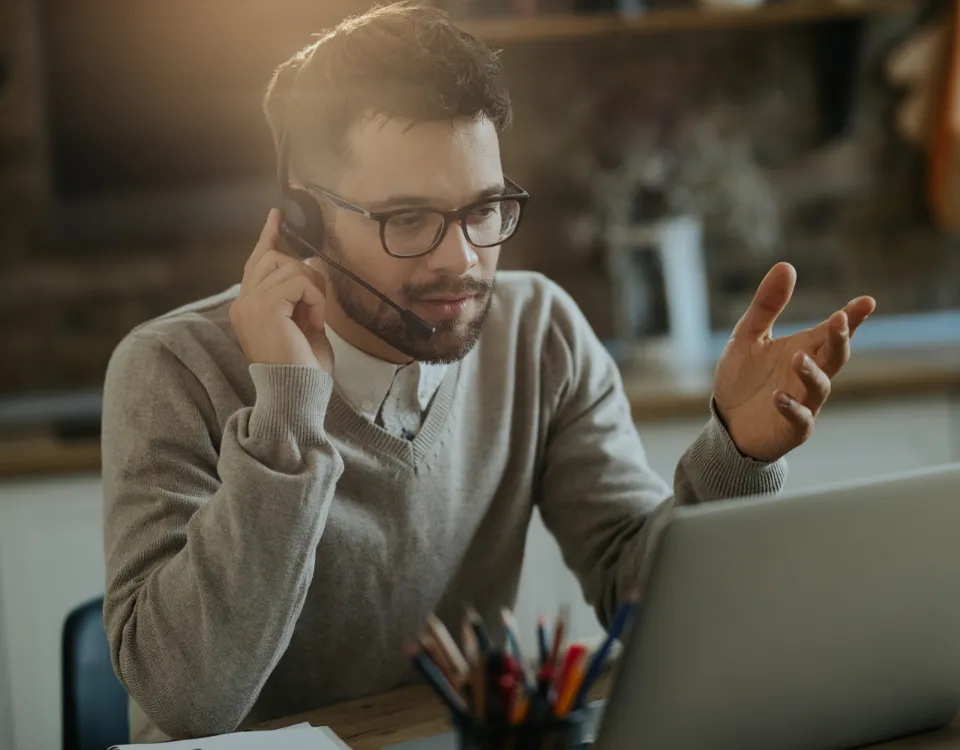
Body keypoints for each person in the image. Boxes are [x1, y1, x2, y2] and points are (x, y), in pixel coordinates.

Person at [100, 3, 876, 743]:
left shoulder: (537, 332)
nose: (462, 261)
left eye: (484, 208)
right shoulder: (171, 369)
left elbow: (639, 591)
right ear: (304, 216)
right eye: (408, 219)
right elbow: (189, 700)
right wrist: (288, 414)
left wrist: (736, 451)